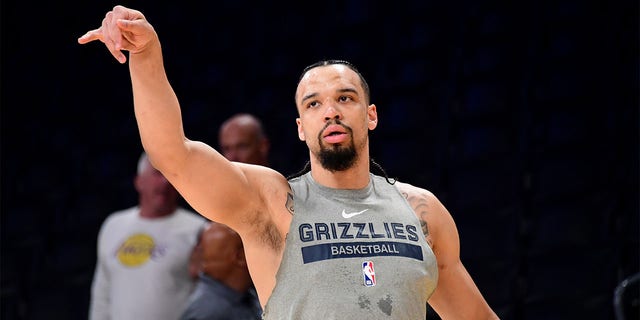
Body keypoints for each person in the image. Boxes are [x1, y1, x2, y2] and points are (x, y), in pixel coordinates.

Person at [78, 5, 499, 319]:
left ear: (371, 115)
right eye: (314, 104)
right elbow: (172, 155)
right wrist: (147, 55)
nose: (331, 111)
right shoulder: (271, 203)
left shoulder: (422, 211)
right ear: (301, 127)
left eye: (345, 98)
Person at [88, 152, 208, 320]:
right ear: (139, 182)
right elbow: (102, 294)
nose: (166, 182)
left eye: (171, 175)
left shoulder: (199, 229)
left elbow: (209, 297)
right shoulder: (113, 225)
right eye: (158, 173)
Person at [180, 113, 269, 320]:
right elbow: (197, 268)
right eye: (227, 149)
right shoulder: (209, 205)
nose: (233, 157)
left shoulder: (288, 196)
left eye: (241, 147)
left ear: (262, 146)